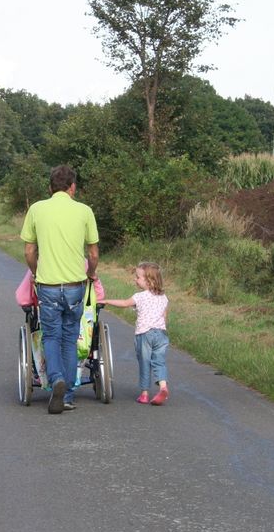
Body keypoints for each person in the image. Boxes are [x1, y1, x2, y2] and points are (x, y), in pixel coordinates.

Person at [20, 165, 99, 414]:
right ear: (72, 187)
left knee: (50, 336)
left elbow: (30, 251)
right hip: (76, 285)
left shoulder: (36, 209)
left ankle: (56, 380)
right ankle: (67, 395)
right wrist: (89, 274)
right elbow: (93, 253)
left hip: (48, 285)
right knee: (69, 338)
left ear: (50, 187)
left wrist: (35, 272)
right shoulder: (85, 211)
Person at [102, 262, 170, 406]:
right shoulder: (164, 298)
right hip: (161, 334)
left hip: (144, 334)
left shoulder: (140, 296)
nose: (135, 279)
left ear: (149, 280)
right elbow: (164, 316)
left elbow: (125, 303)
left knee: (144, 363)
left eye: (138, 277)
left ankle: (144, 394)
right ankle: (163, 387)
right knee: (159, 362)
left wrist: (107, 301)